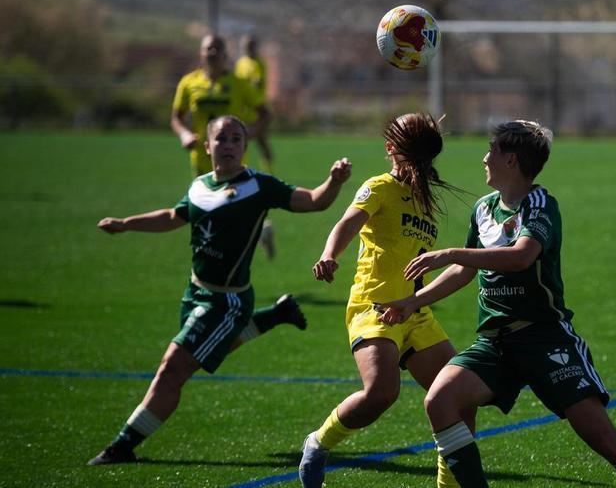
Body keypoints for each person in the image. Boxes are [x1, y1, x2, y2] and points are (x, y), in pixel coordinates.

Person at [378, 120, 616, 488]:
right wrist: (412, 301)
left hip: (546, 338)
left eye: (492, 151)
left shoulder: (541, 204)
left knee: (603, 438)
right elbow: (463, 272)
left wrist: (450, 252)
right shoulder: (483, 209)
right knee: (440, 400)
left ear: (511, 160)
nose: (484, 158)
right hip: (496, 344)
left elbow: (521, 256)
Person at [88, 115, 352, 466]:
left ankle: (123, 446)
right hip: (195, 292)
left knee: (173, 368)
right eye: (221, 138)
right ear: (206, 145)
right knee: (204, 353)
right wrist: (126, 225)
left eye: (236, 139)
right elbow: (172, 216)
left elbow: (315, 201)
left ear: (245, 146)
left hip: (227, 301)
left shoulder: (258, 185)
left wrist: (333, 181)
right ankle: (275, 315)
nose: (228, 145)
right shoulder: (199, 186)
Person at [298, 113, 473, 488]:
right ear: (392, 149)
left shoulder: (425, 200)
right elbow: (348, 221)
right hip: (374, 306)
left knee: (459, 398)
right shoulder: (379, 186)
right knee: (381, 392)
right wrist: (331, 254)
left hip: (415, 311)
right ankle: (318, 442)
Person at [171, 34, 278, 258]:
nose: (212, 53)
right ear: (200, 53)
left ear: (225, 55)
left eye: (217, 49)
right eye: (208, 48)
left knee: (227, 212)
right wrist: (184, 134)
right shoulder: (189, 83)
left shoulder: (239, 84)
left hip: (232, 160)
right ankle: (260, 233)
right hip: (201, 158)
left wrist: (248, 135)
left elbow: (265, 113)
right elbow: (176, 117)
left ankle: (222, 270)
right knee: (206, 213)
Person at [235, 34, 275, 174]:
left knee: (261, 142)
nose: (248, 48)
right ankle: (239, 171)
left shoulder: (260, 63)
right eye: (246, 45)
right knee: (239, 142)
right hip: (242, 109)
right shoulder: (241, 62)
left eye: (251, 45)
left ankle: (269, 172)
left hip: (257, 110)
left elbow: (257, 83)